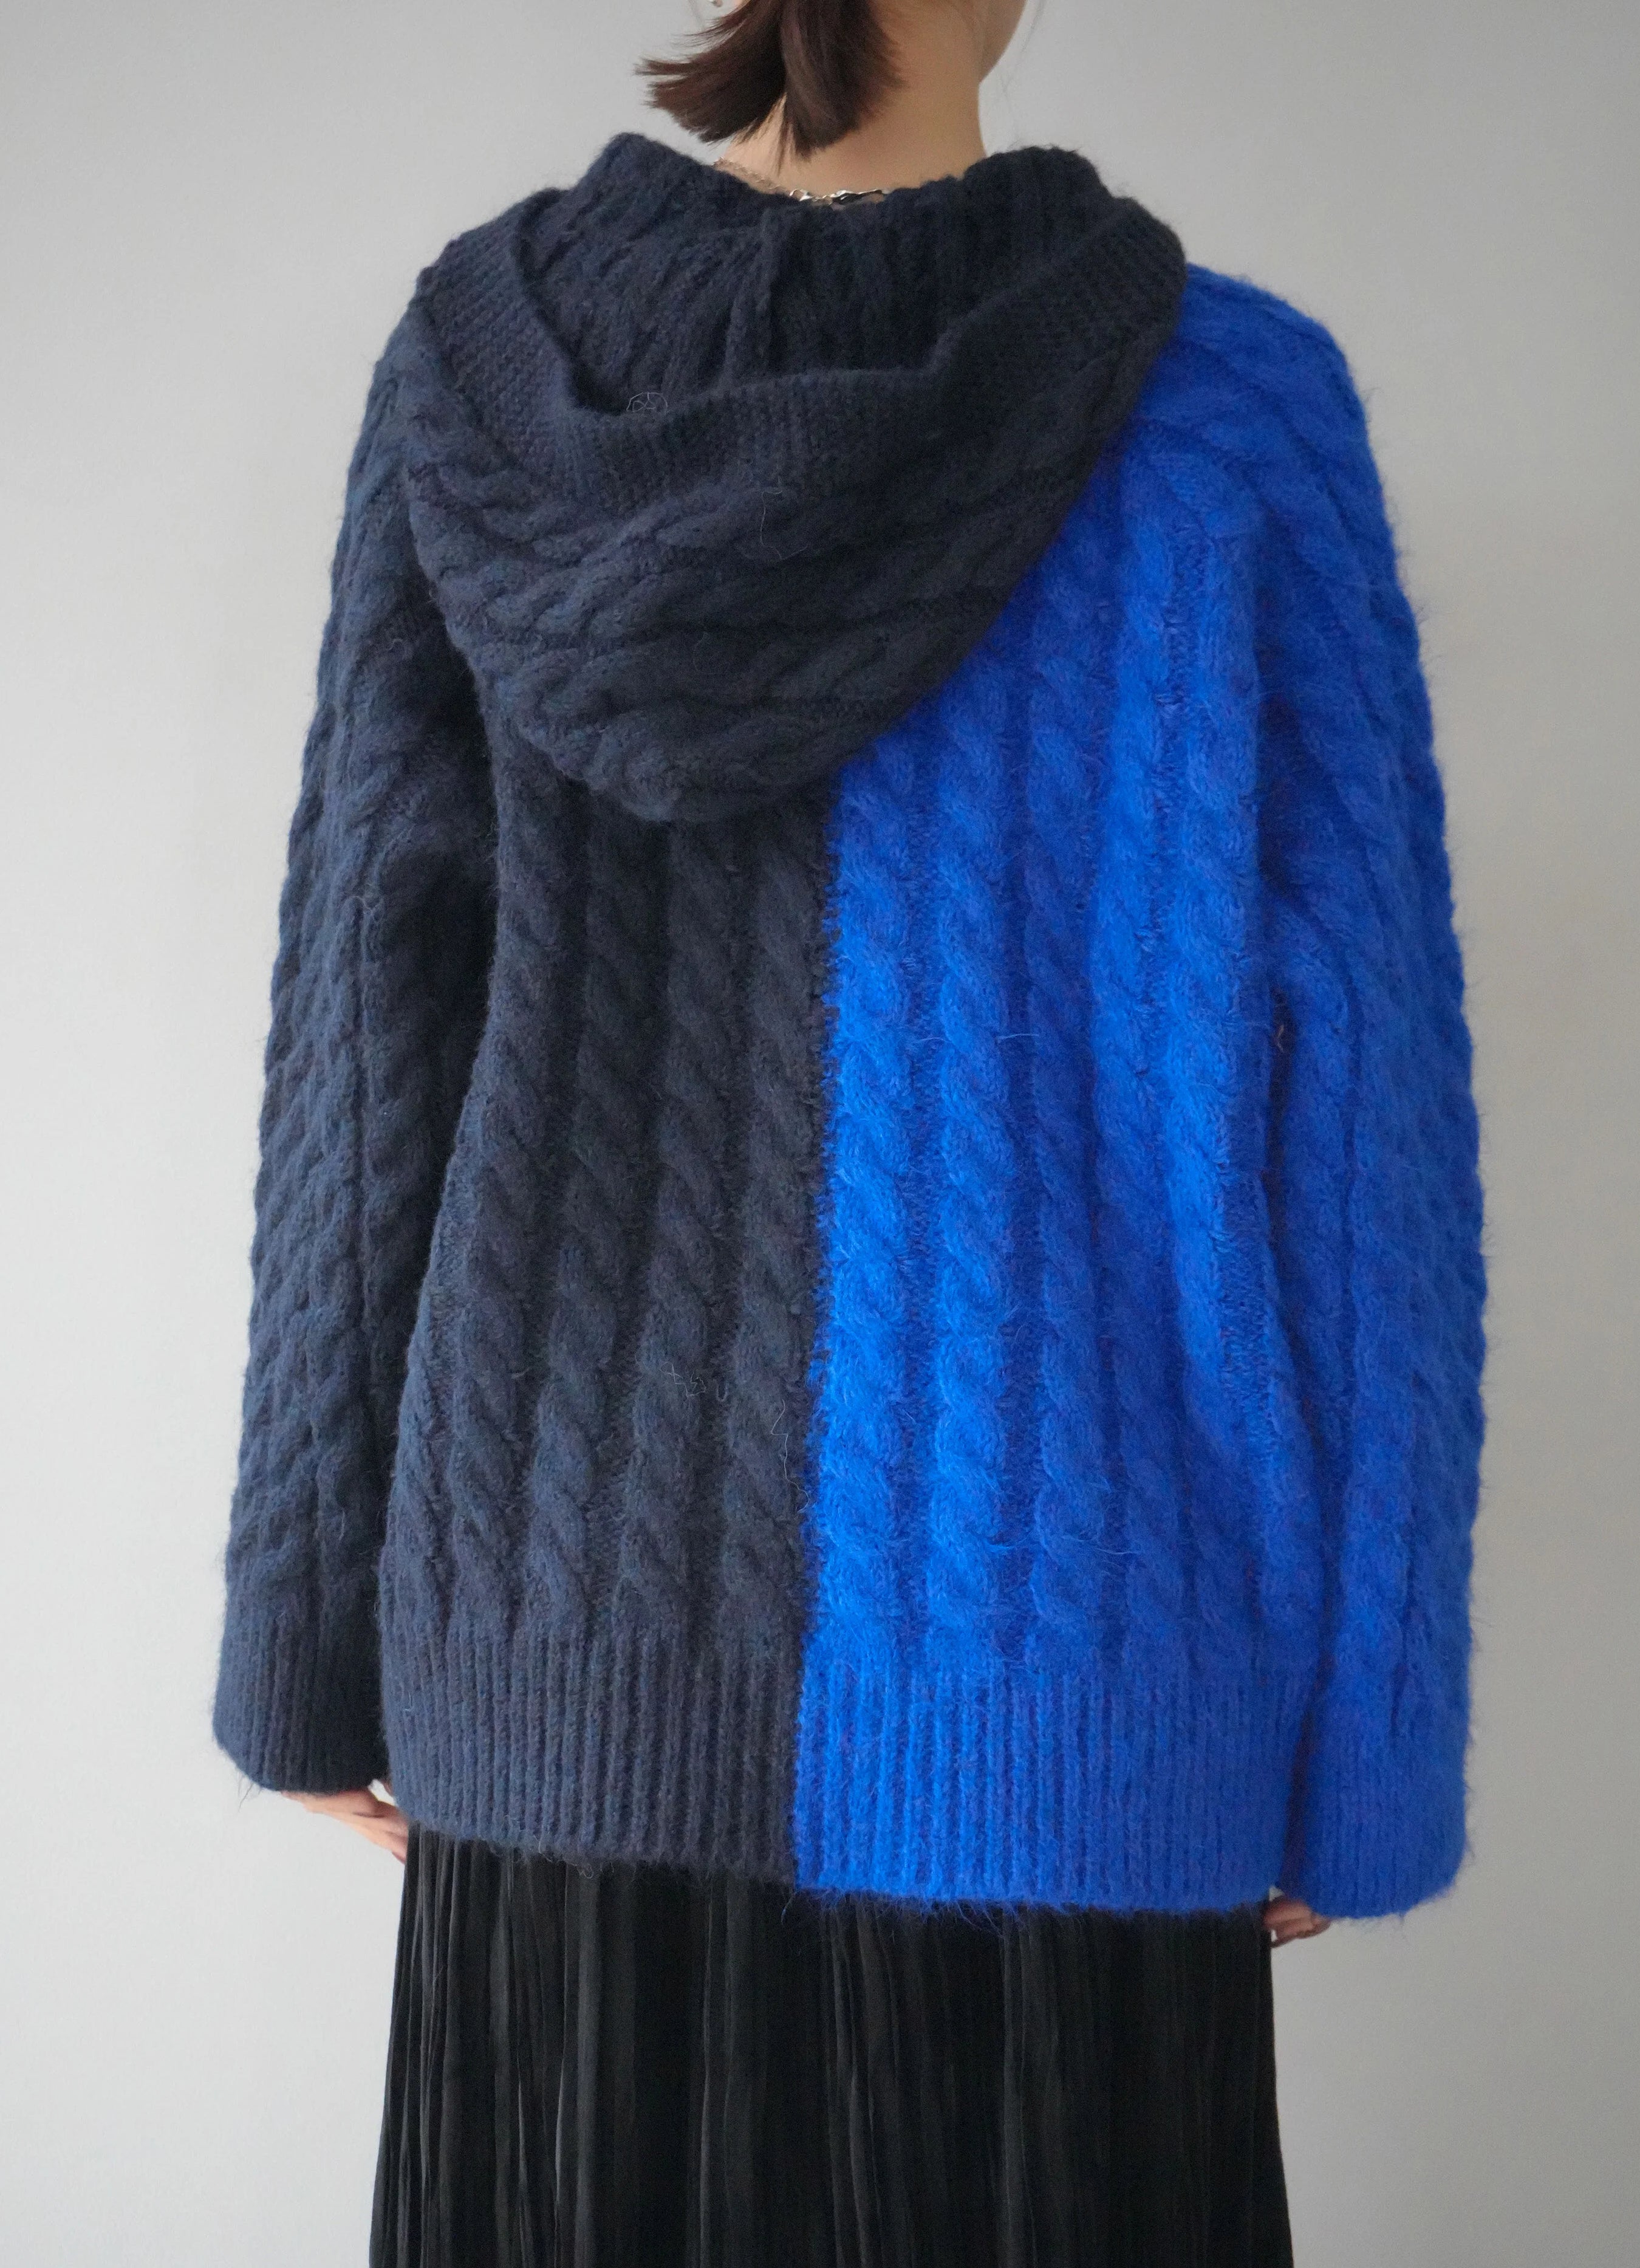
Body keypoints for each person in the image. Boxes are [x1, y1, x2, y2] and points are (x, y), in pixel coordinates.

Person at [210, 0, 1486, 2259]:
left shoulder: (474, 394)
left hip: (559, 1683)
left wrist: (299, 1637)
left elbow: (360, 1046)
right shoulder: (1227, 409)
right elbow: (1365, 1135)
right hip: (1078, 1700)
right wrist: (1367, 1743)